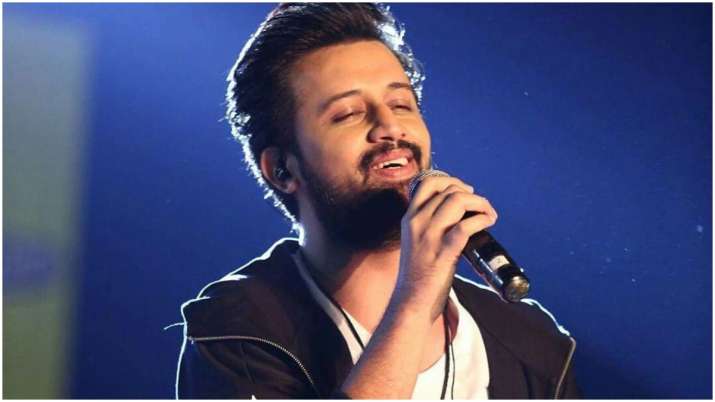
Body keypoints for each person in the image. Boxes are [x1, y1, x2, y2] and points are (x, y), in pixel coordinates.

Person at [176, 3, 580, 399]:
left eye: (401, 104)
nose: (390, 127)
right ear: (282, 169)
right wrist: (416, 301)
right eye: (348, 113)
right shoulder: (236, 332)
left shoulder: (534, 344)